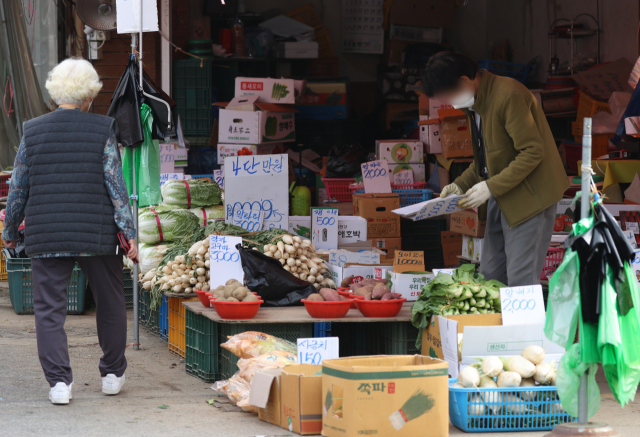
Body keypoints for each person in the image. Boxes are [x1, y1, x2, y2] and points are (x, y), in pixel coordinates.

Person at [1, 58, 138, 405]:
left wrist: (9, 231)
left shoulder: (32, 130)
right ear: (89, 95)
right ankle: (111, 374)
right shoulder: (102, 129)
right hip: (96, 233)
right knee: (110, 302)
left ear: (54, 93)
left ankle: (59, 384)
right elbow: (116, 187)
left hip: (47, 232)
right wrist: (129, 231)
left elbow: (18, 187)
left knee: (49, 308)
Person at [422, 52, 569, 286]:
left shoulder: (508, 95)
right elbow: (487, 159)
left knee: (520, 279)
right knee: (490, 275)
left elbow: (532, 151)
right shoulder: (475, 105)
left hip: (530, 197)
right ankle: (498, 322)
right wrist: (460, 184)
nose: (450, 103)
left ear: (464, 81)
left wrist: (490, 186)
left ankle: (524, 323)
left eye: (448, 95)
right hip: (501, 194)